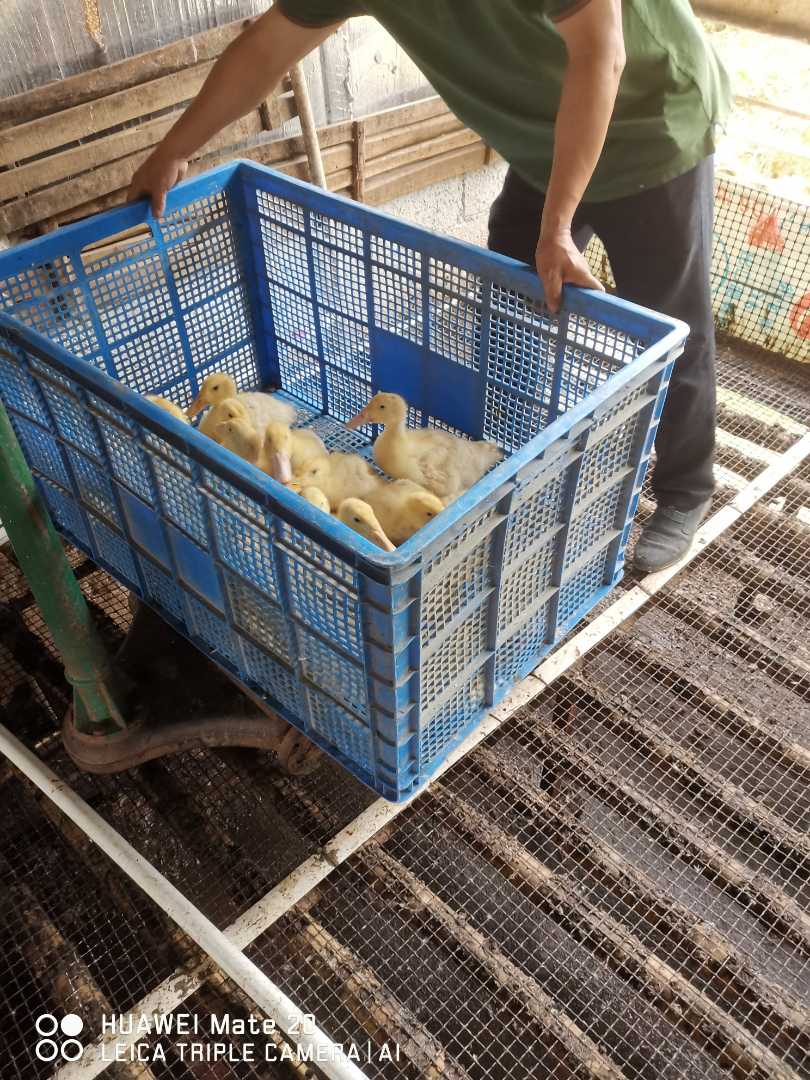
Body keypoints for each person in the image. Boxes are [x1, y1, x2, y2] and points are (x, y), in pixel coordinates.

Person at [128, 0, 731, 573]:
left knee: (669, 314)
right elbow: (266, 48)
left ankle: (686, 487)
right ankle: (512, 442)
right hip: (544, 134)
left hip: (648, 123)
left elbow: (601, 54)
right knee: (513, 289)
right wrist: (173, 150)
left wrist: (558, 225)